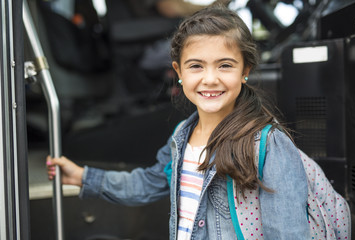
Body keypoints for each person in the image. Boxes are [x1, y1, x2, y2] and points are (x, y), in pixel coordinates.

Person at [47, 5, 309, 239]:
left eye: (225, 65)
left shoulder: (268, 144)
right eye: (196, 66)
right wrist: (84, 177)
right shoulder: (182, 136)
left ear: (245, 71)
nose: (210, 79)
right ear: (179, 72)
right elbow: (148, 183)